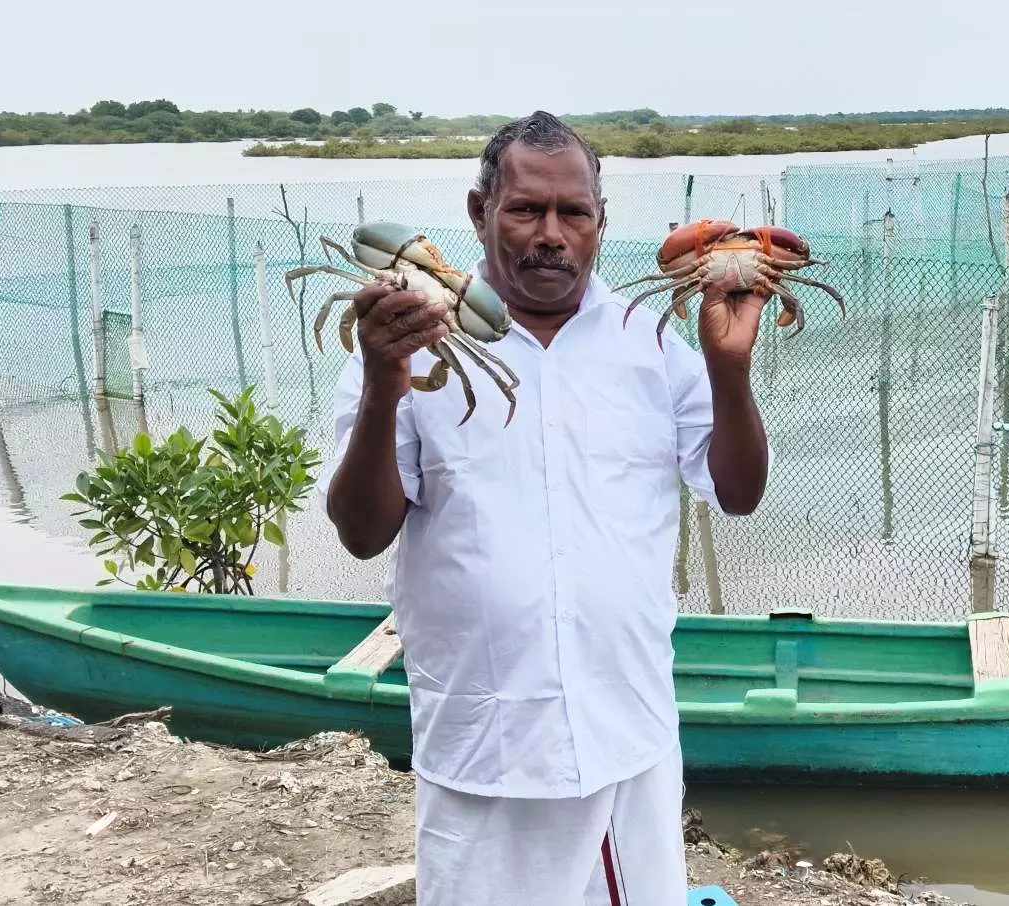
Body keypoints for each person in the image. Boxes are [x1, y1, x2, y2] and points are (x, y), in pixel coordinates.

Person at [320, 111, 772, 905]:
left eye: (575, 212)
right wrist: (384, 387)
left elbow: (737, 494)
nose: (551, 235)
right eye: (526, 209)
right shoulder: (408, 338)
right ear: (479, 212)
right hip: (485, 741)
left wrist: (728, 370)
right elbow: (361, 533)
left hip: (627, 729)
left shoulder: (651, 341)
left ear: (601, 221)